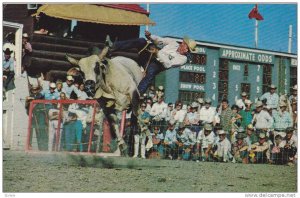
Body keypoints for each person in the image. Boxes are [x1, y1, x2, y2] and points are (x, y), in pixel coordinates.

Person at [105, 31, 196, 95]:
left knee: (151, 72)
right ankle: (113, 47)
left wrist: (157, 53)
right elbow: (160, 40)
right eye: (183, 43)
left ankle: (138, 93)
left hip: (157, 65)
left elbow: (168, 64)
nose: (182, 44)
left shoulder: (183, 59)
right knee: (142, 41)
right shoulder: (173, 43)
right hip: (150, 56)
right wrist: (150, 36)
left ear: (186, 49)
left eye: (184, 44)